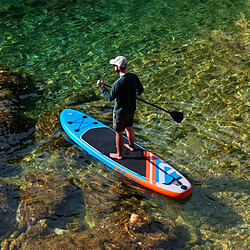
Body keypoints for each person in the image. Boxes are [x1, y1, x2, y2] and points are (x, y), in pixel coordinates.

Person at [97, 56, 144, 160]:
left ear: (118, 67)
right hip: (131, 109)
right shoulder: (133, 76)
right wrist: (131, 94)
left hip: (120, 113)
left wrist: (102, 87)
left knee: (118, 132)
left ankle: (119, 155)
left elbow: (109, 98)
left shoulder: (117, 83)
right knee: (129, 127)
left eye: (114, 65)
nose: (113, 67)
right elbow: (140, 90)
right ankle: (131, 146)